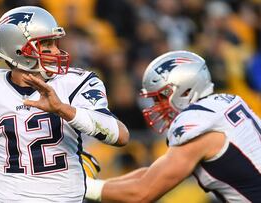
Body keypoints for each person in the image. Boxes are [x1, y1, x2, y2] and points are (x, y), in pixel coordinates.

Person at [0, 6, 129, 202]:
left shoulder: (76, 82)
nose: (55, 51)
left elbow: (120, 136)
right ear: (19, 50)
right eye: (46, 44)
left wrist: (63, 109)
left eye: (54, 43)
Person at [85, 50, 261, 202]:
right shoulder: (225, 103)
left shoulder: (198, 125)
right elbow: (151, 175)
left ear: (184, 91)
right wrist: (89, 184)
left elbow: (142, 193)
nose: (156, 106)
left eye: (160, 98)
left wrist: (79, 188)